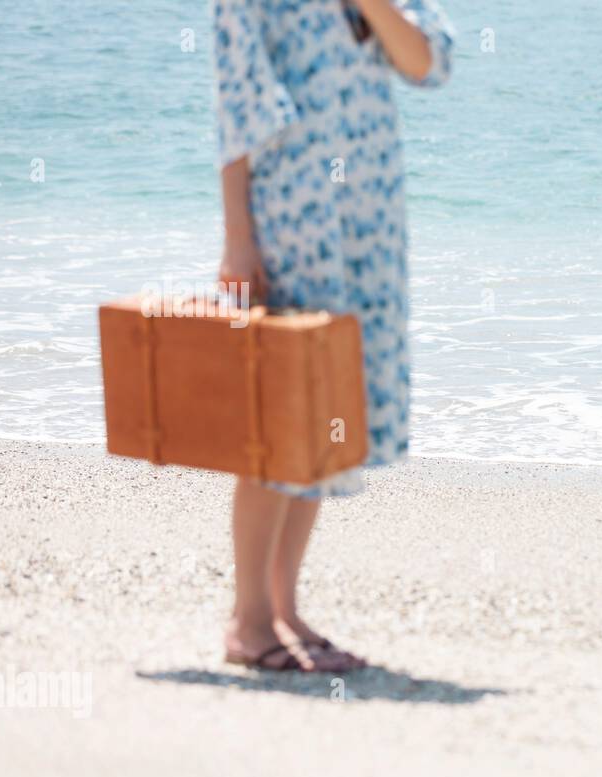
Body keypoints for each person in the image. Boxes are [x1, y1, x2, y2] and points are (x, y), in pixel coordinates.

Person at [213, 0, 454, 671]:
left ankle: (285, 611)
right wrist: (237, 239)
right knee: (284, 408)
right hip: (292, 211)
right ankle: (248, 622)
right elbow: (236, 102)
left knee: (329, 409)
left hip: (370, 210)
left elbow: (428, 64)